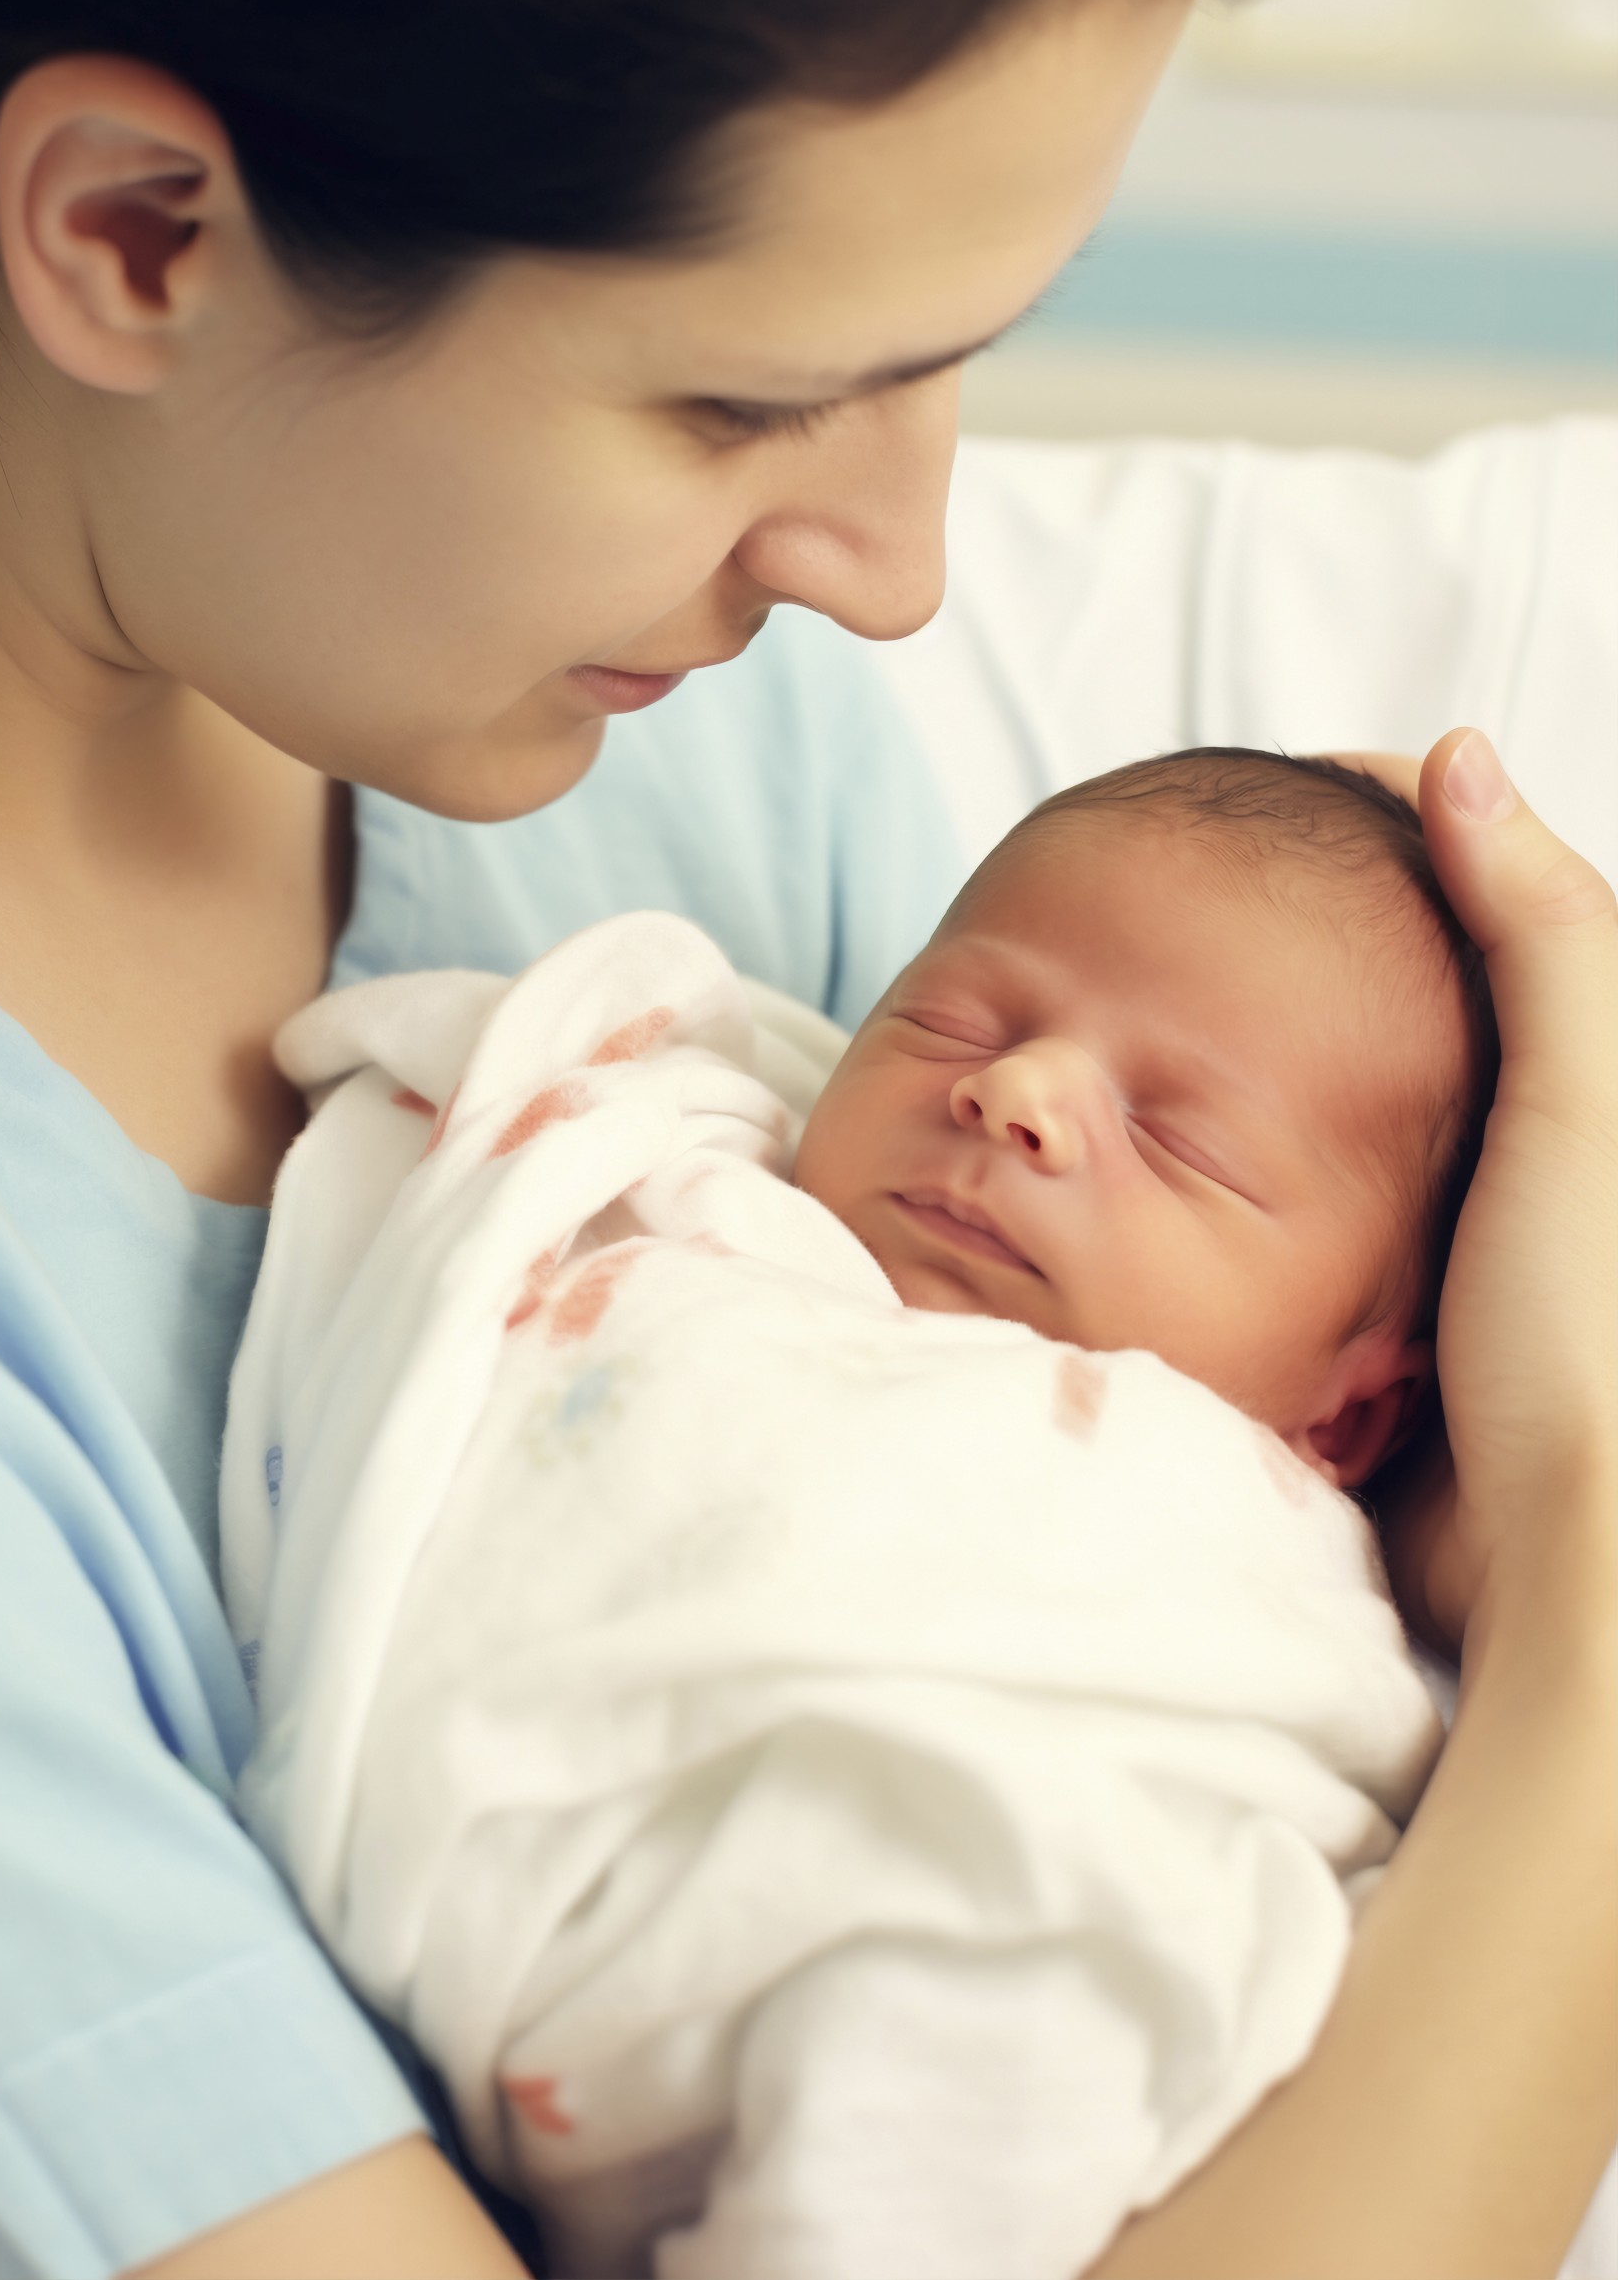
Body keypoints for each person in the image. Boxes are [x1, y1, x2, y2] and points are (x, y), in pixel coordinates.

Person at [0, 0, 1608, 2276]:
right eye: (749, 397)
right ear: (137, 232)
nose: (899, 568)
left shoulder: (643, 723)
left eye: (957, 353)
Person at [218, 750, 1488, 2278]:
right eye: (955, 1021)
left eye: (1174, 1136)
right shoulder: (674, 1203)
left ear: (1346, 1416)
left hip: (1012, 1964)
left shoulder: (1262, 1549)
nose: (1013, 1091)